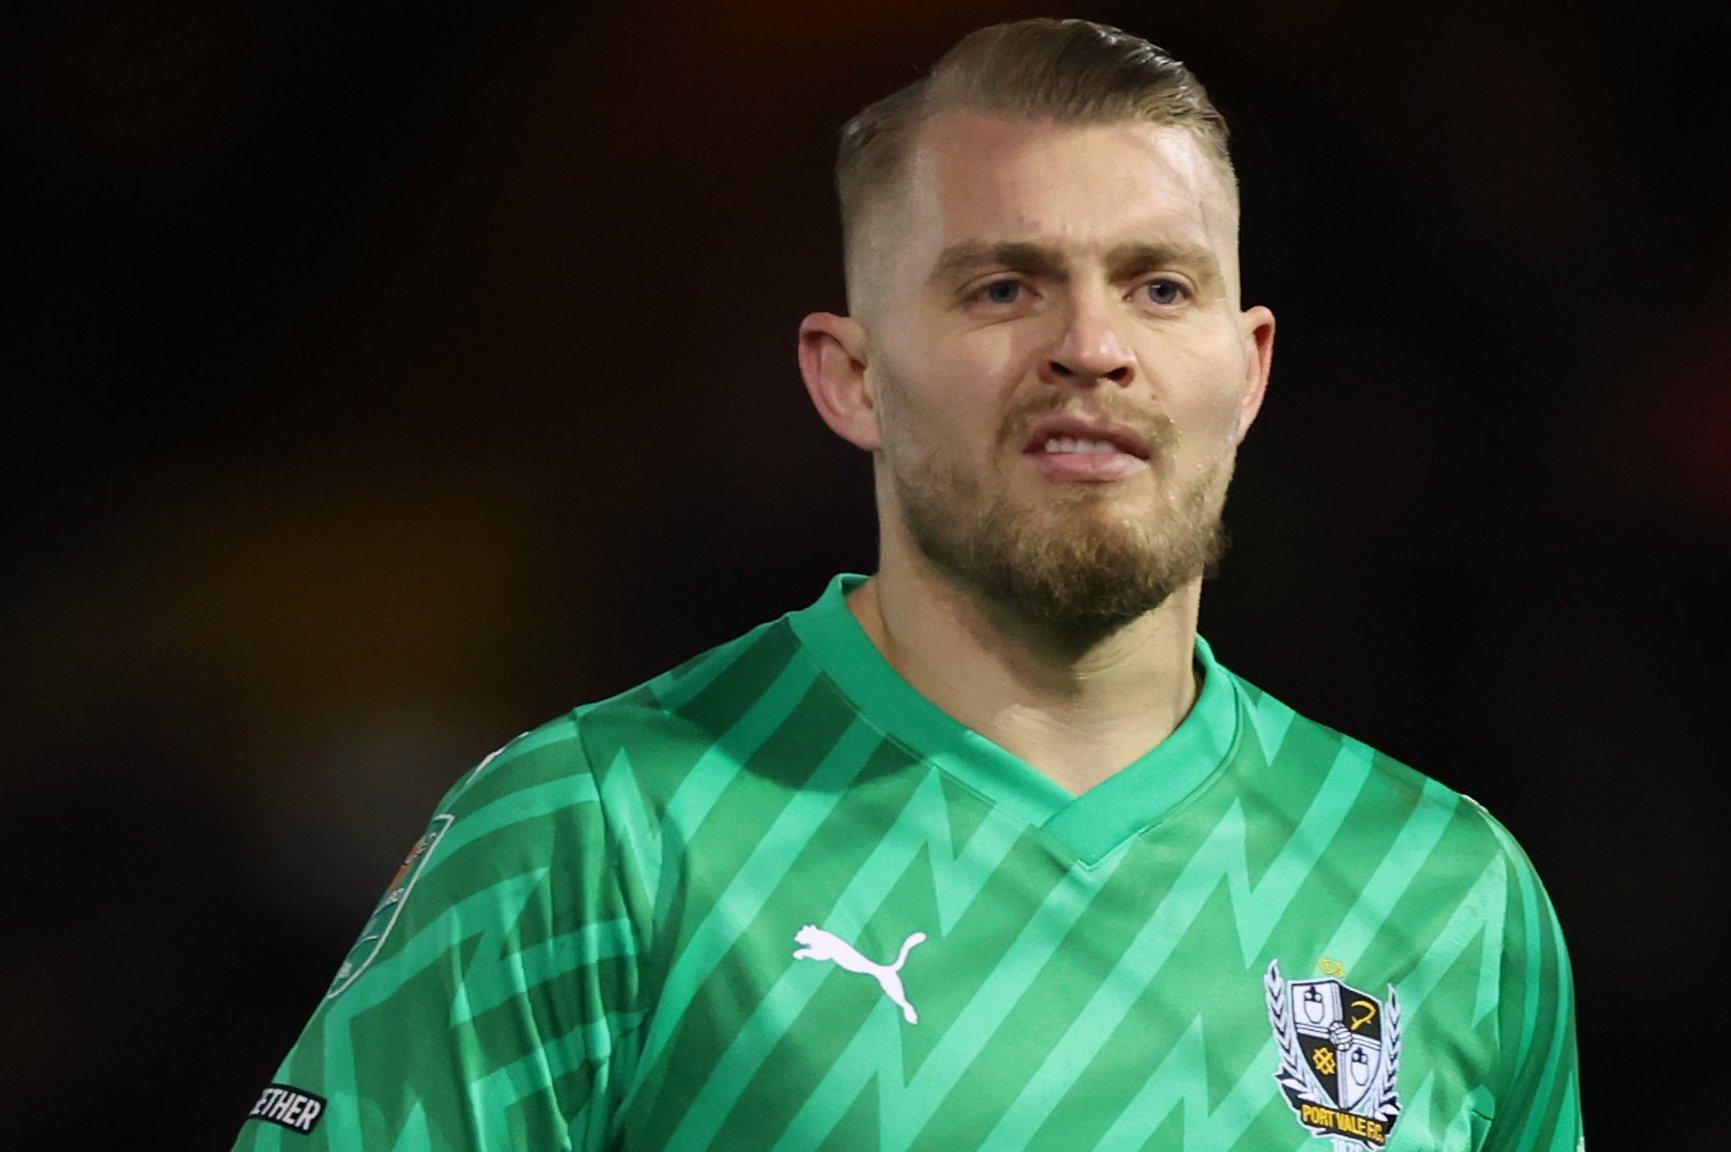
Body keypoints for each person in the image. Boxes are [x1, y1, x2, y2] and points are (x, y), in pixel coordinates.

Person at [233, 18, 1582, 1152]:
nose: (1092, 346)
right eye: (1005, 288)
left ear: (1252, 367)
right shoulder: (602, 835)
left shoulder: (1449, 889)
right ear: (850, 375)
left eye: (1160, 287)